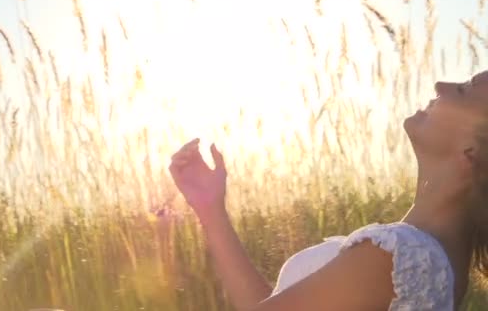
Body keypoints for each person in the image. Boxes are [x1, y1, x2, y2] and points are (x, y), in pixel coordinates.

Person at [168, 70, 488, 310]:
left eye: (462, 91)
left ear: (470, 153)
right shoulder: (433, 262)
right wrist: (211, 211)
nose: (440, 86)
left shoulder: (400, 254)